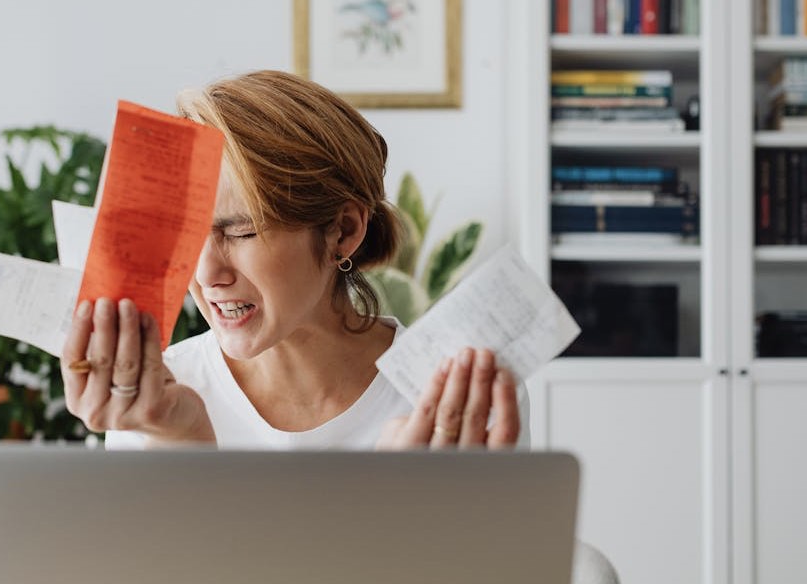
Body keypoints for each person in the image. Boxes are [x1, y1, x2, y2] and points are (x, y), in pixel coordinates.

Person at [61, 69, 527, 449]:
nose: (205, 275)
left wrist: (409, 505)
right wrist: (182, 441)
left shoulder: (454, 397)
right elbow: (162, 568)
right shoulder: (154, 396)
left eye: (241, 230)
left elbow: (504, 565)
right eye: (187, 236)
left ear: (343, 232)